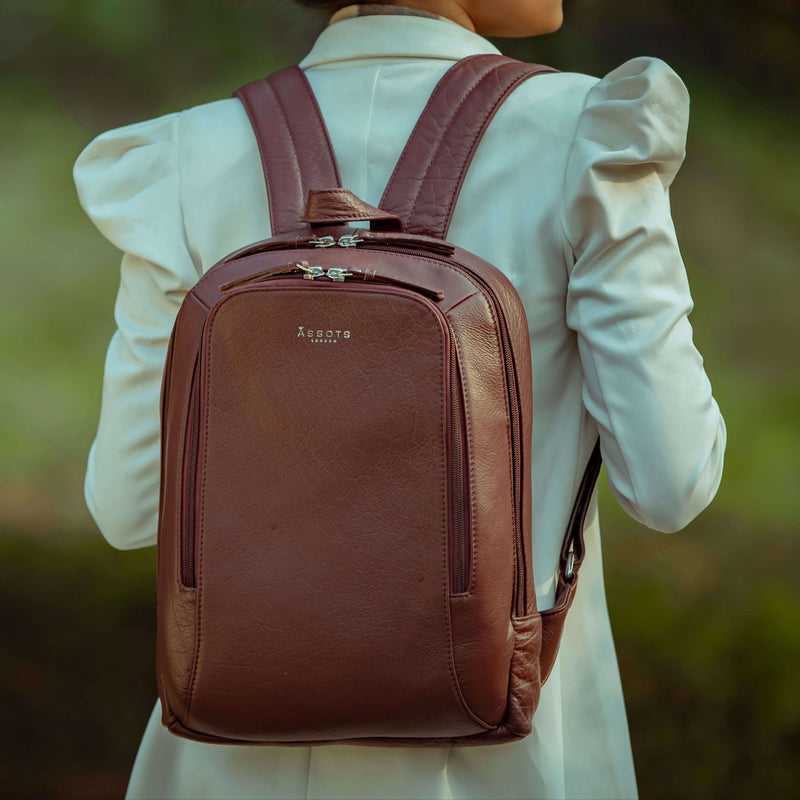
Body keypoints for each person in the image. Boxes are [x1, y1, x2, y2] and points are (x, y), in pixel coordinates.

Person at [73, 1, 726, 798]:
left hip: (236, 746)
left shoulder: (182, 155)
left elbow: (128, 508)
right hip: (501, 752)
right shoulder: (590, 136)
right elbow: (671, 483)